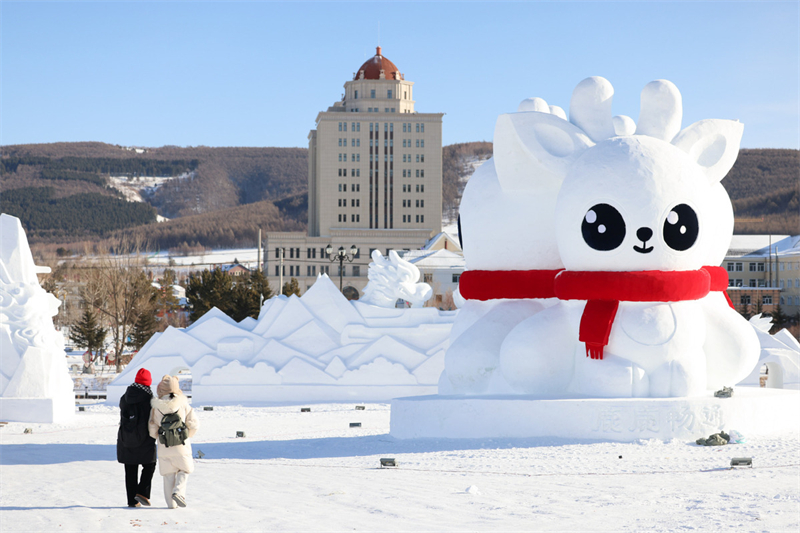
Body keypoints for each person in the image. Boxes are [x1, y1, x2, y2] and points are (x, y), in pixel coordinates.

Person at [148, 375, 199, 509]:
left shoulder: (155, 407)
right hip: (181, 445)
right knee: (185, 470)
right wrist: (187, 435)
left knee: (168, 475)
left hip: (164, 445)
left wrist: (157, 437)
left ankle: (171, 505)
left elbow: (152, 428)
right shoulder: (183, 404)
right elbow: (193, 424)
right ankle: (179, 491)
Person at [117, 368, 157, 508]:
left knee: (130, 469)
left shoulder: (125, 397)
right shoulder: (149, 399)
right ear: (148, 383)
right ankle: (142, 492)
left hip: (126, 438)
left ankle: (132, 501)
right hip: (144, 438)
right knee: (150, 465)